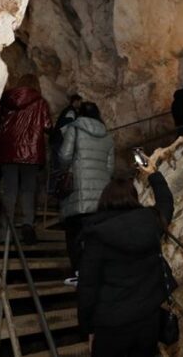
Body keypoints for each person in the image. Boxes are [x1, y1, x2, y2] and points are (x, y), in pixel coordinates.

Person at [78, 157, 173, 357]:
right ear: (133, 198)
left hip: (111, 324)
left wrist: (88, 328)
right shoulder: (151, 222)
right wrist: (153, 173)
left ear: (104, 200)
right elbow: (166, 201)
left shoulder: (97, 235)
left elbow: (88, 287)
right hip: (148, 319)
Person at [0, 74, 52, 245]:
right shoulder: (40, 102)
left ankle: (5, 233)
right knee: (28, 191)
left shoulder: (6, 101)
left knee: (9, 192)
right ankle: (27, 226)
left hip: (9, 153)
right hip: (31, 153)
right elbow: (47, 126)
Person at [59, 102, 114, 279]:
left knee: (74, 234)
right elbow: (110, 168)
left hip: (79, 192)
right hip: (100, 195)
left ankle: (78, 272)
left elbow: (65, 156)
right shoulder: (108, 136)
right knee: (95, 237)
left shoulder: (74, 129)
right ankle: (95, 273)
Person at [50, 94, 83, 171]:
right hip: (59, 141)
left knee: (55, 168)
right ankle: (56, 182)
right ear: (75, 101)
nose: (80, 104)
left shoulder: (68, 110)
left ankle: (53, 183)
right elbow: (67, 128)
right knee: (59, 168)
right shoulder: (71, 112)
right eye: (80, 102)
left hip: (56, 140)